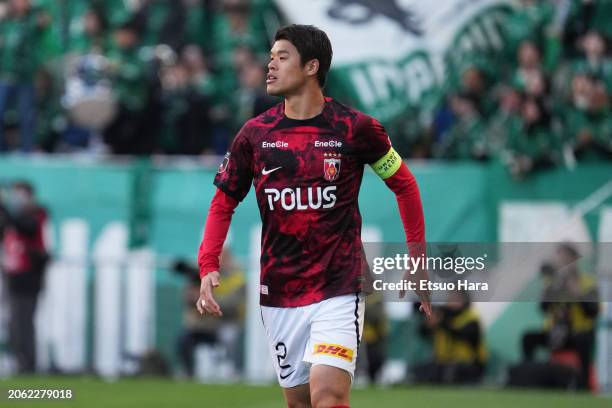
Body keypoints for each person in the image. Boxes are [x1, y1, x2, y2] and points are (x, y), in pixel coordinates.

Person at [196, 24, 430, 408]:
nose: (270, 65)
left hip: (338, 286)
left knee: (329, 396)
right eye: (270, 56)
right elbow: (223, 202)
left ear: (311, 66)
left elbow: (405, 184)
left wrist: (417, 258)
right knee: (301, 403)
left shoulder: (356, 129)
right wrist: (208, 265)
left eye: (282, 57)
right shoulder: (255, 135)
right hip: (280, 292)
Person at [0, 181, 49, 373]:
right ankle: (19, 362)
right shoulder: (11, 218)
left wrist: (6, 209)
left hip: (29, 276)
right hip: (12, 275)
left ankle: (28, 365)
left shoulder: (38, 213)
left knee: (25, 323)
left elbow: (26, 227)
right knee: (14, 324)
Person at [411, 290, 487, 385]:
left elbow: (464, 335)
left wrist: (442, 322)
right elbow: (423, 333)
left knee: (451, 372)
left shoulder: (471, 318)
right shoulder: (444, 315)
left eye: (456, 299)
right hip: (443, 363)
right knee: (419, 370)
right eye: (450, 299)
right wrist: (429, 324)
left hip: (469, 364)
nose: (451, 302)